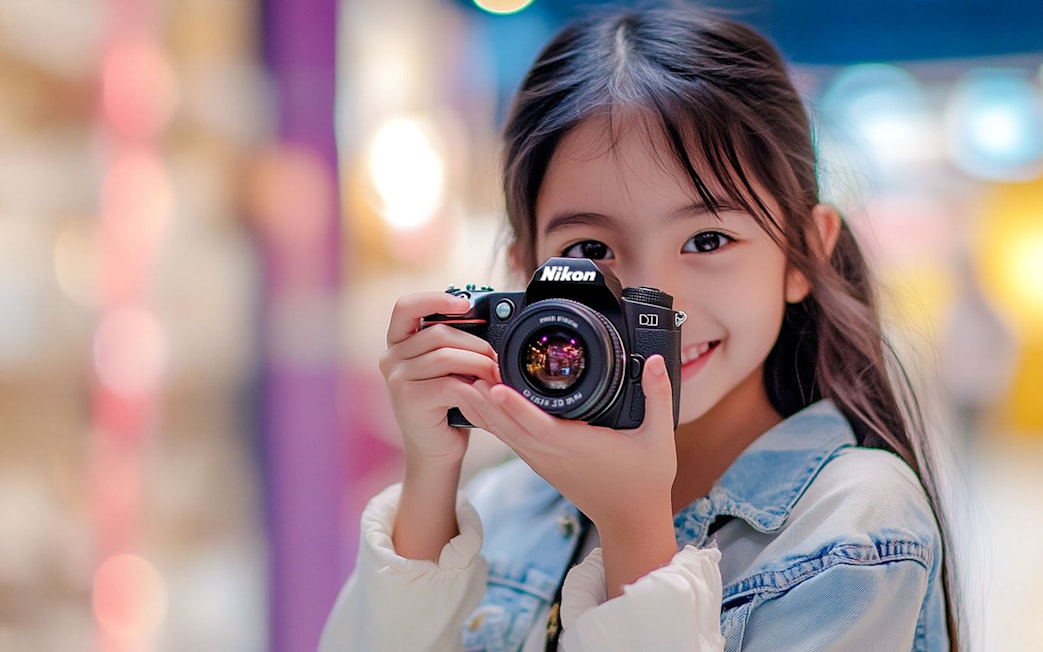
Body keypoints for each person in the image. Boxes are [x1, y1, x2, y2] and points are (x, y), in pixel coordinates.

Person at [320, 5, 960, 651]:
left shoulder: (852, 526)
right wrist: (431, 473)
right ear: (523, 269)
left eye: (707, 239)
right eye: (590, 252)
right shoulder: (507, 500)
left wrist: (633, 527)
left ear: (803, 254)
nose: (657, 302)